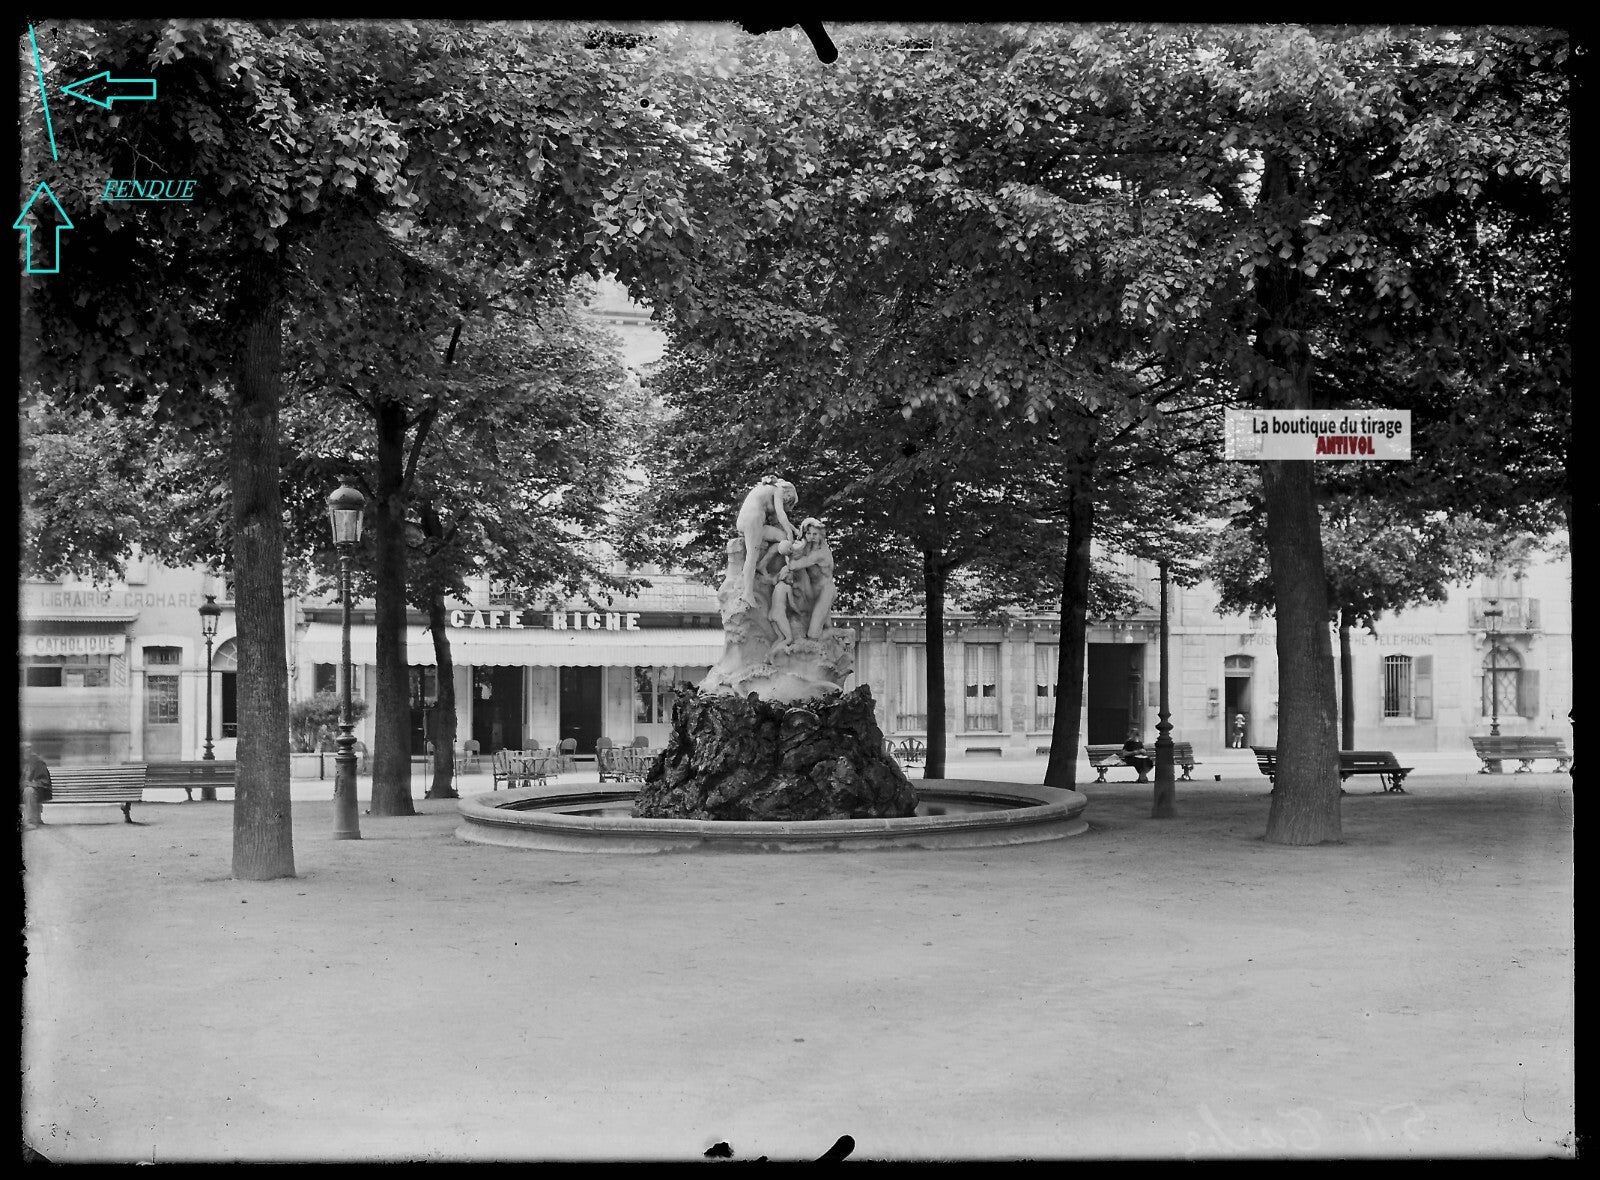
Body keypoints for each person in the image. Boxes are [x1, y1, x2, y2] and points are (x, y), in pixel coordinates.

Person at [734, 477, 798, 608]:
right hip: (752, 520)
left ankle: (762, 566)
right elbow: (781, 515)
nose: (787, 500)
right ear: (789, 489)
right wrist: (791, 536)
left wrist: (793, 530)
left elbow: (779, 519)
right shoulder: (778, 489)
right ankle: (747, 593)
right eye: (790, 497)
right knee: (752, 557)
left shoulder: (772, 492)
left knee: (781, 536)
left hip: (756, 522)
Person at [21, 743, 51, 829]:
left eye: (28, 749)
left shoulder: (38, 762)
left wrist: (31, 783)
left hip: (35, 792)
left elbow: (44, 782)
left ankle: (30, 822)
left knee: (29, 791)